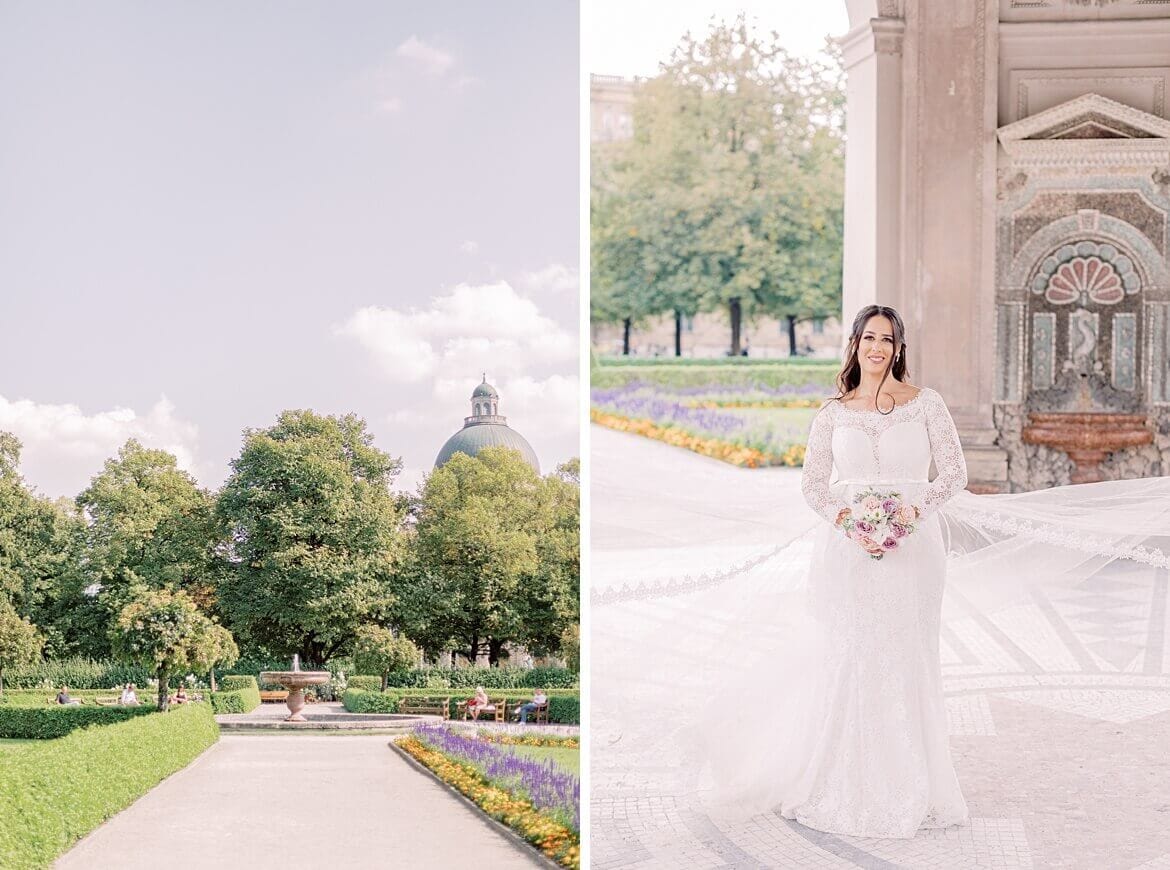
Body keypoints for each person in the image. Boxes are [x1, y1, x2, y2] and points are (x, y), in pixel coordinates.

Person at [591, 303, 1170, 849]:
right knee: (850, 656)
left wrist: (908, 514)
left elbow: (953, 474)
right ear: (855, 345)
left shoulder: (926, 404)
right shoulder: (832, 414)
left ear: (898, 349)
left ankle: (911, 786)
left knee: (905, 658)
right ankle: (839, 778)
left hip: (914, 550)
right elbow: (813, 484)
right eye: (867, 337)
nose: (876, 347)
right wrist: (851, 520)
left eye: (886, 339)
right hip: (846, 550)